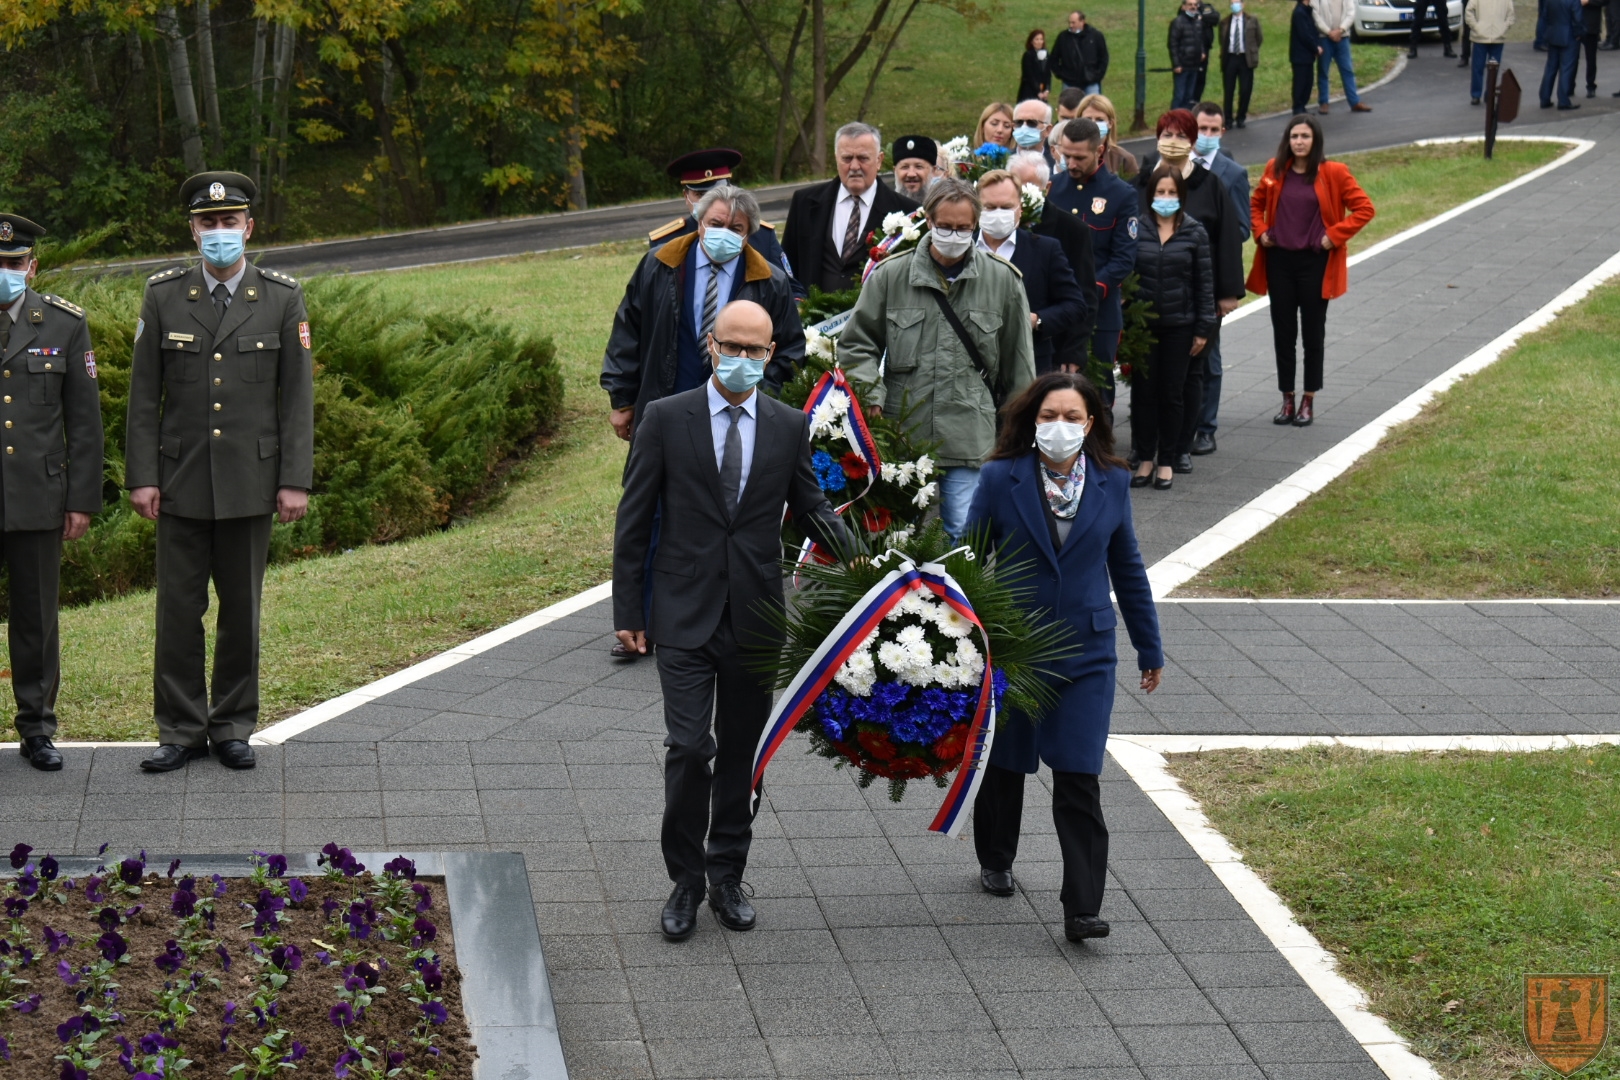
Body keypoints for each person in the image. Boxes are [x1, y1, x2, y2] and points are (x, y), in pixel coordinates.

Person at [612, 299, 850, 942]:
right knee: (690, 748)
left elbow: (813, 508)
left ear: (772, 355)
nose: (743, 359)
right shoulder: (664, 419)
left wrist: (871, 569)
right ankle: (685, 881)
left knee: (743, 755)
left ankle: (726, 877)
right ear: (709, 345)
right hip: (682, 613)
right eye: (732, 346)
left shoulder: (786, 425)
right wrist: (628, 611)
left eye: (757, 350)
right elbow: (634, 520)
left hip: (755, 615)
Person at [126, 172, 314, 773]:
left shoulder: (283, 298)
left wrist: (294, 479)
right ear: (193, 229)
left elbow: (296, 399)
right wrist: (141, 476)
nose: (219, 233)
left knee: (241, 611)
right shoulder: (162, 295)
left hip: (251, 481)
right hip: (178, 481)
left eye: (229, 222)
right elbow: (143, 397)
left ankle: (232, 725)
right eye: (208, 223)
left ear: (248, 227)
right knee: (178, 612)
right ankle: (179, 730)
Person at [966, 371, 1162, 944]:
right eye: (1049, 416)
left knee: (1079, 774)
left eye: (1072, 417)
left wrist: (1149, 646)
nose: (1060, 427)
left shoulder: (1113, 482)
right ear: (1032, 421)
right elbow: (971, 559)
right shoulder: (1001, 478)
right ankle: (996, 856)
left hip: (1088, 654)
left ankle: (1082, 907)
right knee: (1008, 763)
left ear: (1091, 423)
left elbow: (1127, 568)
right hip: (1017, 649)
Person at [601, 185, 804, 659]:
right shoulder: (660, 264)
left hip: (731, 416)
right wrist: (623, 397)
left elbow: (789, 348)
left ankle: (709, 617)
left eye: (736, 229)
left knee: (716, 515)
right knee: (646, 512)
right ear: (697, 218)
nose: (724, 235)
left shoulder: (768, 280)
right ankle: (641, 621)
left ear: (750, 233)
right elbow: (628, 328)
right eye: (715, 224)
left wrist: (761, 390)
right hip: (663, 408)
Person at [837, 178, 1036, 541]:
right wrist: (870, 396)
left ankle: (961, 600)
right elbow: (856, 345)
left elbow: (1019, 366)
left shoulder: (1003, 281)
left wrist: (1017, 435)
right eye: (945, 226)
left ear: (975, 225)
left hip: (970, 436)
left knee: (964, 536)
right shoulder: (890, 276)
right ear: (928, 220)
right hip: (902, 433)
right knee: (895, 537)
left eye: (963, 228)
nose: (954, 235)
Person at [0, 214, 105, 773]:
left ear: (32, 266)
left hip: (38, 495)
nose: (5, 271)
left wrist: (81, 499)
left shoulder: (63, 324)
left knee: (37, 617)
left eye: (14, 263)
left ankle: (37, 728)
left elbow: (85, 422)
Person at [1130, 111, 1243, 475]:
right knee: (1146, 381)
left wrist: (1227, 294)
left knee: (1191, 376)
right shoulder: (1144, 180)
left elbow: (1227, 239)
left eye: (1181, 134)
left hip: (1197, 296)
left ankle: (1181, 446)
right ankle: (1144, 448)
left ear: (1192, 140)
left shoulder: (1210, 184)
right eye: (1166, 133)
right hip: (1147, 300)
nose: (1172, 140)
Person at [1247, 117, 1374, 428]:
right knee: (1283, 332)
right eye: (1294, 136)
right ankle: (1287, 398)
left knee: (1313, 334)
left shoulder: (1334, 173)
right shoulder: (1274, 169)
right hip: (1280, 262)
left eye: (1305, 136)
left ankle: (1308, 398)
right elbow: (1254, 205)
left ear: (1315, 140)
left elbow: (1364, 209)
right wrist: (1261, 231)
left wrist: (1334, 235)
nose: (1299, 141)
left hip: (1315, 263)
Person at [1129, 165, 1214, 491]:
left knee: (1172, 394)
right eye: (1160, 192)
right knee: (1144, 393)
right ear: (1151, 194)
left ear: (1181, 195)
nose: (1166, 198)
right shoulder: (1137, 228)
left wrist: (1203, 328)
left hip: (1181, 326)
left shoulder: (1195, 232)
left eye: (1172, 193)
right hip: (1144, 327)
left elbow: (1204, 283)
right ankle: (1146, 457)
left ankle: (1168, 459)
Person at [1049, 118, 1138, 407]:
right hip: (1055, 305)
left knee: (1098, 391)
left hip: (1100, 309)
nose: (1071, 163)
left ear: (1099, 150)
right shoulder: (1051, 189)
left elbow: (1124, 257)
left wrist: (1091, 289)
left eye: (1079, 157)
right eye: (1066, 155)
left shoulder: (1120, 194)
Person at [781, 122, 920, 295]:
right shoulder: (805, 203)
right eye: (847, 158)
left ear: (879, 160)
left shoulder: (907, 212)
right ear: (836, 159)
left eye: (863, 158)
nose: (854, 167)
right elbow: (787, 268)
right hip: (814, 318)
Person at [976, 169, 1088, 375]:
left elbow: (1075, 305)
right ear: (977, 208)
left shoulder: (1045, 250)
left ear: (1020, 209)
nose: (998, 213)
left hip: (1030, 365)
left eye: (1006, 207)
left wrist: (1037, 320)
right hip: (973, 364)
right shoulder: (964, 249)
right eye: (990, 207)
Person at [646, 149, 800, 298]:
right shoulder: (665, 242)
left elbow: (791, 291)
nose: (709, 201)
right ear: (686, 197)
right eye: (700, 194)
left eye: (717, 193)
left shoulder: (760, 235)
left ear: (730, 191)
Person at [1189, 102, 1250, 457]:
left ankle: (1206, 427)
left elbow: (1242, 227)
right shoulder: (1173, 168)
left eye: (1214, 130)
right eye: (1201, 129)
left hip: (1209, 277)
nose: (1207, 136)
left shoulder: (1232, 173)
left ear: (1223, 132)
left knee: (1208, 354)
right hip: (1172, 274)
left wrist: (1207, 236)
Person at [1009, 150, 1098, 373]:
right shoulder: (997, 225)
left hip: (1051, 347)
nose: (1020, 195)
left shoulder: (1072, 230)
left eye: (1027, 187)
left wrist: (1074, 349)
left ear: (1046, 188)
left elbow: (1084, 295)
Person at [1315, 0, 1374, 111]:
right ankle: (1323, 102)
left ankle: (1354, 102)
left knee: (1347, 70)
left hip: (1343, 38)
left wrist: (1341, 29)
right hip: (1324, 38)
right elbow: (1315, 15)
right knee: (1323, 70)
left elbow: (1351, 13)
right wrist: (1329, 32)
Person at [1219, 0, 1263, 127]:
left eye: (1237, 2)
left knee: (1245, 89)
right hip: (1231, 58)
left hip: (1245, 59)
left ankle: (1241, 117)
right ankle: (1228, 119)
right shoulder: (1225, 22)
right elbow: (1222, 40)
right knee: (1229, 90)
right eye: (1232, 3)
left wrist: (1251, 51)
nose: (1234, 5)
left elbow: (1258, 38)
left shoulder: (1252, 20)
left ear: (1243, 4)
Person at [1078, 93, 1139, 179]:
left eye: (1100, 119)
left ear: (1110, 123)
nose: (1093, 124)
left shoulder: (1124, 159)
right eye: (1088, 119)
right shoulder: (1067, 155)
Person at [1052, 10, 1110, 94]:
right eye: (1069, 22)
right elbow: (1054, 57)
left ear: (1082, 22)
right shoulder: (1063, 37)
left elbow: (1103, 57)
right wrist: (1061, 74)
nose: (1070, 25)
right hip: (1070, 82)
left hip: (1091, 82)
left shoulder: (1096, 36)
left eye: (1073, 23)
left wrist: (1097, 75)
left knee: (1092, 106)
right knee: (1070, 107)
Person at [1467, 0, 1515, 102]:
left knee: (1493, 70)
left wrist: (1503, 28)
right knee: (1477, 68)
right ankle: (1476, 94)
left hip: (1497, 38)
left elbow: (1511, 15)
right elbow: (1469, 11)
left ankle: (1489, 94)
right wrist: (1477, 27)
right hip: (1480, 38)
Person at [1538, 0, 1583, 105]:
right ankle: (1563, 100)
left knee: (1550, 68)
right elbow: (1578, 19)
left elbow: (1544, 16)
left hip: (1553, 34)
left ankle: (1544, 98)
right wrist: (1579, 34)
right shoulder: (1574, 1)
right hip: (1569, 36)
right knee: (1566, 69)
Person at [1169, 0, 1210, 110]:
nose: (1193, 7)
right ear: (1183, 7)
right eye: (1190, 5)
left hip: (1194, 65)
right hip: (1182, 66)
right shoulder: (1178, 22)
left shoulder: (1198, 22)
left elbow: (1200, 39)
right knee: (1179, 96)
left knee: (1189, 96)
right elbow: (1173, 44)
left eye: (1195, 5)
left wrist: (1202, 52)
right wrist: (1176, 64)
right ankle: (1173, 122)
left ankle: (1186, 122)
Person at [1292, 0, 1324, 114]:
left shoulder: (1307, 11)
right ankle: (1298, 107)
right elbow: (1305, 34)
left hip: (1307, 55)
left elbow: (1312, 31)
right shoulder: (1299, 13)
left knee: (1308, 82)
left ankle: (1302, 106)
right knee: (1301, 82)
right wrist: (1315, 47)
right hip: (1300, 55)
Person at [892, 135, 942, 200]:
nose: (911, 174)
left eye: (918, 166)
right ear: (895, 171)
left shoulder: (943, 207)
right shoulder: (883, 205)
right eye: (905, 167)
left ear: (933, 171)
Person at [1191, 0, 1223, 102]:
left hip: (1205, 49)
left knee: (1201, 77)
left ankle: (1196, 100)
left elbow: (1215, 18)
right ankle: (1188, 102)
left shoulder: (1206, 8)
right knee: (1191, 77)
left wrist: (1202, 18)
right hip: (1190, 50)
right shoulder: (1187, 7)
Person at [1012, 98, 1056, 168]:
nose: (1024, 127)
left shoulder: (1056, 166)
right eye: (1019, 123)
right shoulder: (1000, 161)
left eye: (1032, 123)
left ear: (1048, 130)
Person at [1580, 0, 1605, 96]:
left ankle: (1590, 85)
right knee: (1571, 58)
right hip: (1574, 21)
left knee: (1591, 58)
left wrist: (1589, 1)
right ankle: (1569, 85)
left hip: (1591, 24)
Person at [1020, 29, 1052, 101]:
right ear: (1031, 41)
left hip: (1042, 91)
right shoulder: (1028, 55)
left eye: (1041, 39)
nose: (1039, 42)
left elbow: (1048, 74)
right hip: (1029, 91)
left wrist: (1047, 89)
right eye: (1037, 39)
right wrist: (1038, 91)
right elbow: (1029, 75)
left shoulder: (1046, 54)